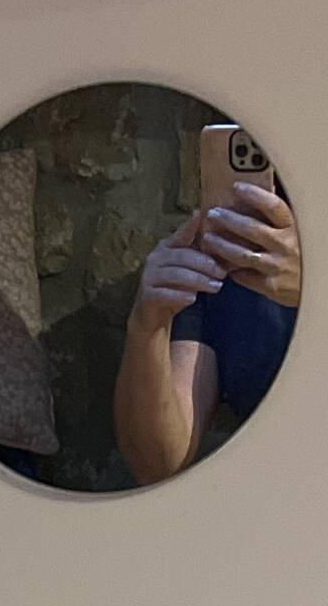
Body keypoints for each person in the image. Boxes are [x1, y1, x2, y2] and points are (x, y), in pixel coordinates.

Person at [112, 170, 302, 488]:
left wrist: (319, 290)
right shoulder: (218, 266)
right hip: (281, 500)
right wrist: (148, 327)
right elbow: (157, 463)